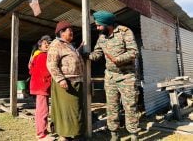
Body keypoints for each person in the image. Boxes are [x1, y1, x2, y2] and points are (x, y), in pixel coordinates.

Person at [87, 10, 140, 141]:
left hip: (126, 76)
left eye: (99, 25)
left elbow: (134, 52)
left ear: (108, 24)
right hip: (110, 77)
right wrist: (86, 55)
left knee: (130, 106)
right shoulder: (102, 37)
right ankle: (114, 135)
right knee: (111, 107)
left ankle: (134, 135)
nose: (98, 28)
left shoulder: (124, 32)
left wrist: (118, 59)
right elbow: (97, 53)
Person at [47, 21, 85, 141]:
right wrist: (60, 79)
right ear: (62, 33)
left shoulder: (69, 45)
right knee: (67, 111)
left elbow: (70, 58)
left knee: (75, 110)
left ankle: (72, 134)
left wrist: (78, 50)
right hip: (65, 84)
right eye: (70, 30)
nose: (72, 32)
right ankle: (64, 136)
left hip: (76, 82)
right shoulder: (56, 44)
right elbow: (51, 64)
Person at [29, 35, 55, 141]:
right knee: (43, 110)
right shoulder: (43, 55)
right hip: (41, 86)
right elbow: (46, 72)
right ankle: (41, 134)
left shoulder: (35, 55)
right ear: (40, 45)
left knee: (41, 109)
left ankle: (42, 130)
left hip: (38, 85)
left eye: (49, 43)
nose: (47, 45)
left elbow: (30, 70)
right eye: (45, 43)